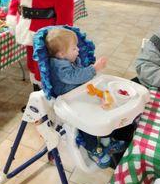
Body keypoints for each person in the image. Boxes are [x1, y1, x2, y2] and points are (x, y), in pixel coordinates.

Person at [45, 27, 126, 168]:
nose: (77, 50)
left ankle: (107, 141)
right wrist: (94, 69)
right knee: (85, 122)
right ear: (61, 54)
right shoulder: (59, 67)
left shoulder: (69, 59)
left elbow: (79, 72)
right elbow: (74, 76)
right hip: (68, 100)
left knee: (103, 111)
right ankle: (93, 148)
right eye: (74, 48)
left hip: (78, 94)